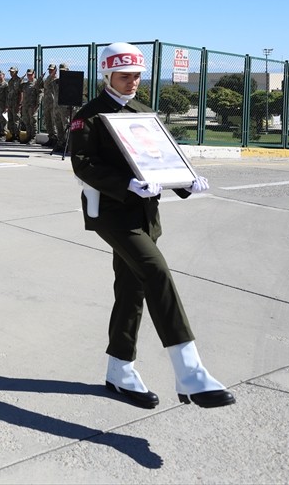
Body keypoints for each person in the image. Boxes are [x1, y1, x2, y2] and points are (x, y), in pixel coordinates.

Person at [69, 41, 233, 410]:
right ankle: (191, 374)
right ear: (107, 75)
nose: (133, 83)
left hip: (146, 214)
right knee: (156, 272)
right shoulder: (89, 115)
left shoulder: (144, 112)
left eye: (137, 76)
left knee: (132, 289)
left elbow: (162, 156)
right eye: (125, 76)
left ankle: (119, 369)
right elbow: (83, 164)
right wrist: (124, 183)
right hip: (111, 213)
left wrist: (186, 180)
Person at [19, 68, 42, 144]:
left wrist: (37, 105)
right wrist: (20, 80)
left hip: (32, 106)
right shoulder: (25, 85)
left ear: (34, 74)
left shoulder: (36, 84)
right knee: (27, 121)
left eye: (30, 74)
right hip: (25, 106)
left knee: (33, 121)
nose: (29, 76)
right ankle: (28, 136)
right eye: (28, 75)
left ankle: (33, 137)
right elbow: (17, 89)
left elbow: (40, 94)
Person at [41, 64, 60, 148]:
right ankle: (51, 138)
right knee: (48, 122)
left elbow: (47, 84)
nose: (50, 71)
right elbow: (44, 85)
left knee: (54, 123)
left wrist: (51, 76)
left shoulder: (57, 80)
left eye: (52, 70)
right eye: (49, 70)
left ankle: (56, 140)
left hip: (53, 104)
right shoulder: (48, 79)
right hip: (46, 104)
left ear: (55, 70)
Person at [5, 66, 23, 142]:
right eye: (10, 72)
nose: (11, 73)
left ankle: (17, 135)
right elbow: (8, 93)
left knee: (16, 120)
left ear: (16, 72)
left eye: (12, 72)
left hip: (16, 103)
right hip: (10, 103)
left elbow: (21, 93)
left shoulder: (19, 80)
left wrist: (19, 104)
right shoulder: (10, 81)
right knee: (11, 119)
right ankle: (12, 134)